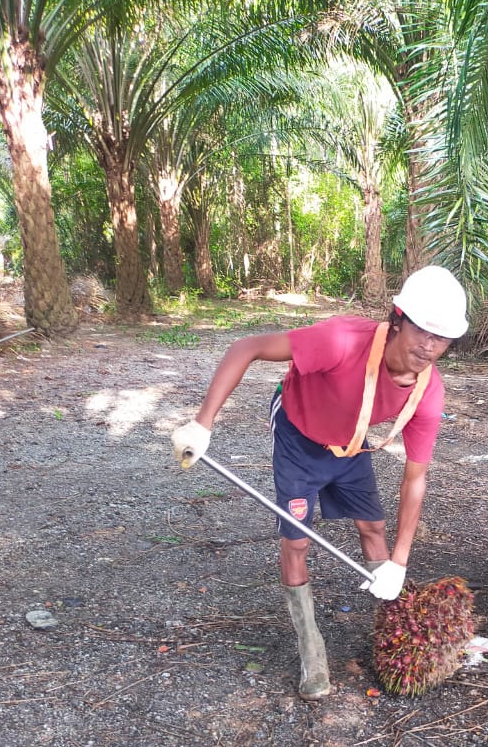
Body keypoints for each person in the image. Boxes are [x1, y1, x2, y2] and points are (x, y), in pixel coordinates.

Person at [171, 265, 468, 700]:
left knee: (374, 530)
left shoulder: (428, 392)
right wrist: (202, 425)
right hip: (300, 436)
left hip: (350, 444)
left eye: (441, 337)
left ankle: (394, 631)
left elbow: (415, 478)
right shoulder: (342, 340)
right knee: (298, 542)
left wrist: (399, 564)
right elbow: (246, 347)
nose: (429, 345)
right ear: (399, 318)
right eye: (422, 329)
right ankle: (311, 646)